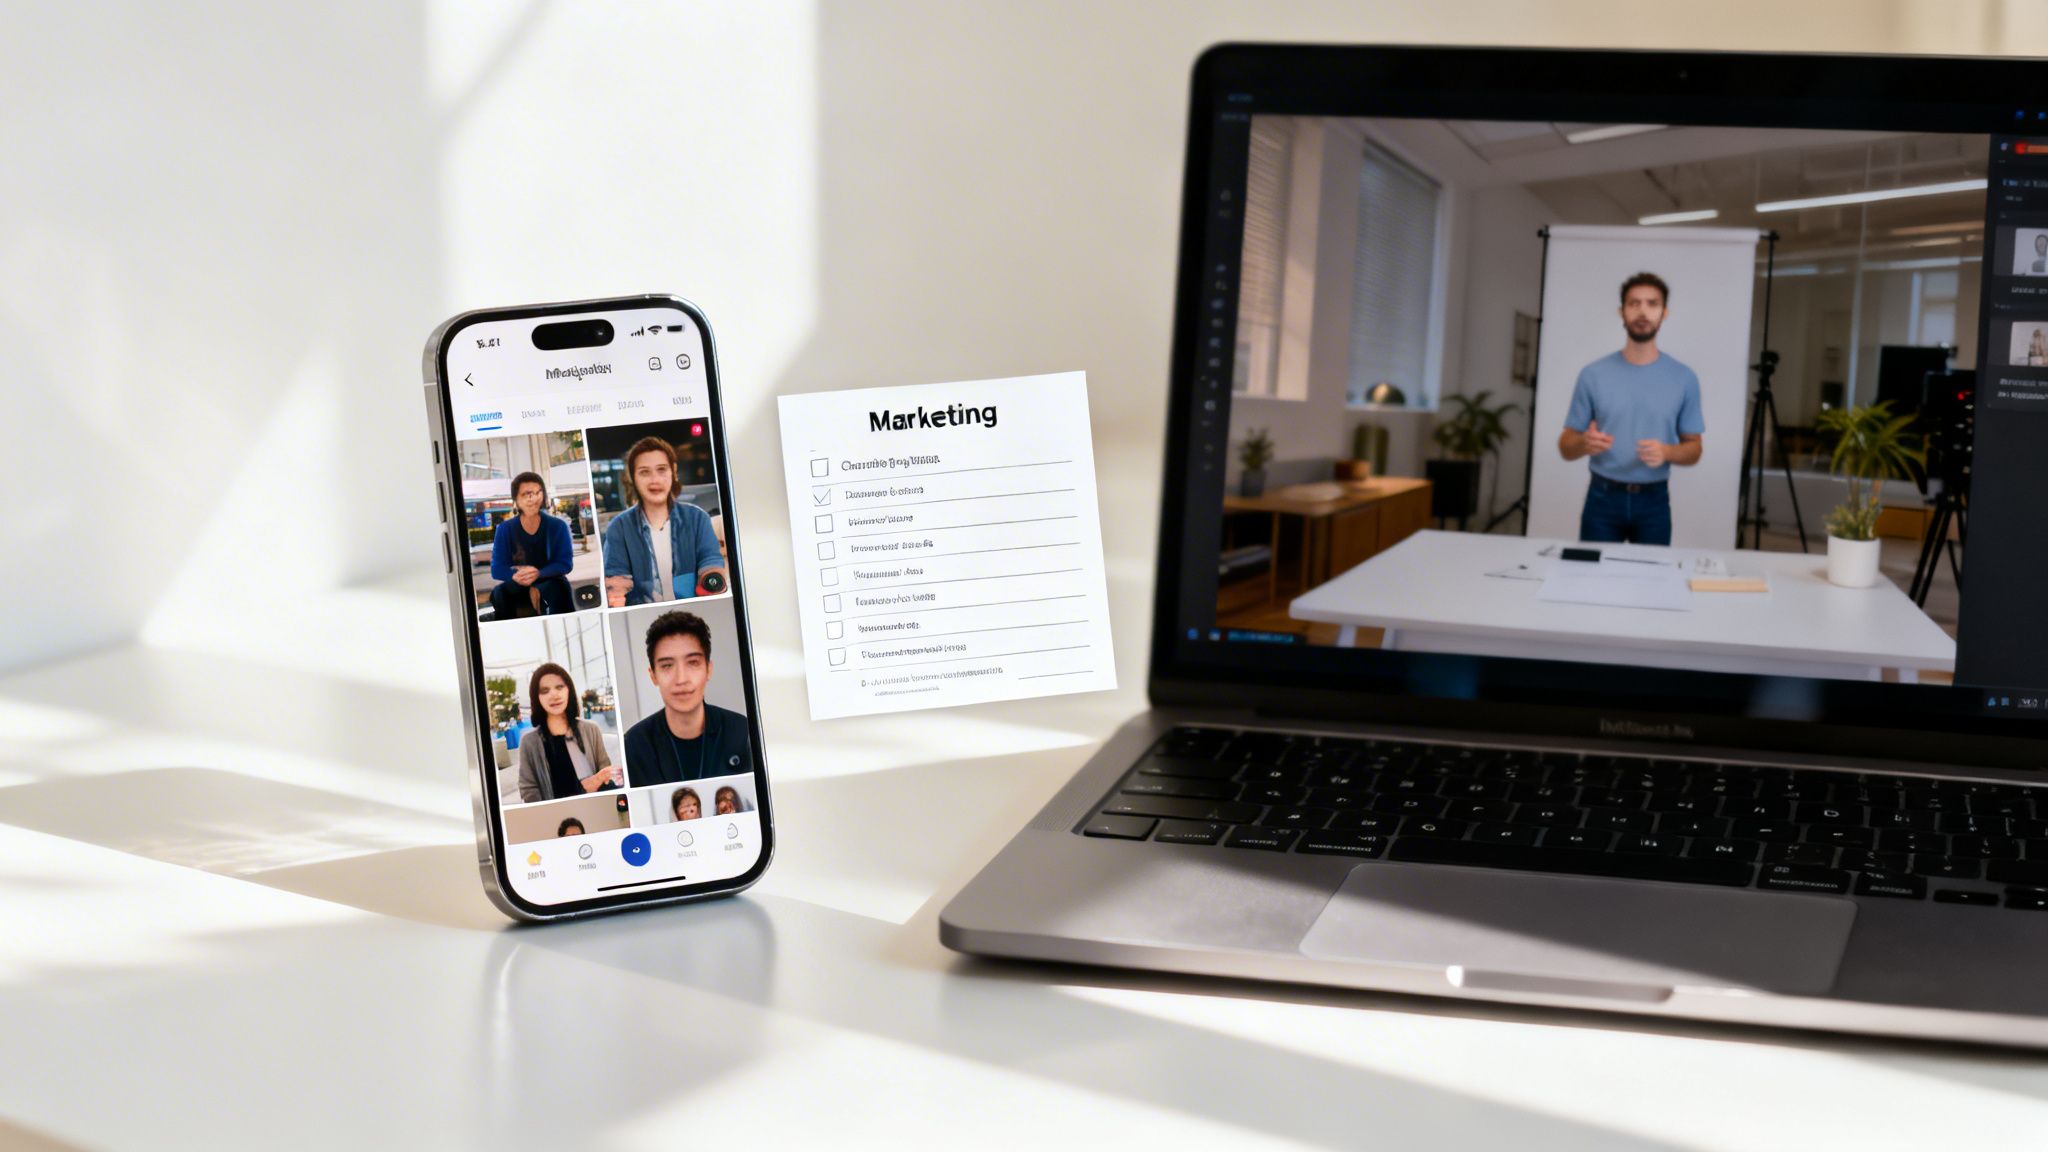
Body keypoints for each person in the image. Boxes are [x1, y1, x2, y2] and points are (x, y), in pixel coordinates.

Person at [1556, 271, 1704, 546]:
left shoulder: (1684, 378)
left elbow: (1694, 449)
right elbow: (1565, 446)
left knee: (1650, 585)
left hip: (1654, 502)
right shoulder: (1593, 374)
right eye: (1634, 303)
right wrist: (1584, 443)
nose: (1642, 311)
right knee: (1593, 582)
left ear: (1664, 313)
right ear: (1621, 311)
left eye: (1652, 303)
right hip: (1602, 499)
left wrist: (1667, 451)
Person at [623, 610, 753, 784]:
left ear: (709, 669)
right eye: (667, 666)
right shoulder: (635, 744)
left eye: (693, 663)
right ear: (653, 675)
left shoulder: (741, 731)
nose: (681, 679)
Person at [602, 437, 728, 606]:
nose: (655, 480)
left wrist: (711, 582)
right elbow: (616, 577)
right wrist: (616, 596)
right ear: (632, 477)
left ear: (673, 471)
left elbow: (710, 561)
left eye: (661, 470)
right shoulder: (619, 527)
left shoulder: (697, 518)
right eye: (645, 472)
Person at [516, 662, 622, 802]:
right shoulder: (529, 742)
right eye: (545, 690)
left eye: (559, 687)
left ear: (568, 690)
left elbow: (605, 772)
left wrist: (604, 778)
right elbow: (528, 789)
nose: (554, 694)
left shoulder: (591, 729)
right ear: (537, 697)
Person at [489, 471, 575, 618]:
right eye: (526, 494)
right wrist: (515, 575)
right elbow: (497, 569)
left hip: (552, 580)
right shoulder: (505, 529)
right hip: (519, 580)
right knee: (499, 593)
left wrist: (538, 574)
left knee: (557, 590)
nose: (533, 498)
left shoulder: (557, 526)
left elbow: (565, 564)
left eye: (537, 493)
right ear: (516, 499)